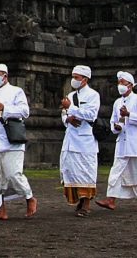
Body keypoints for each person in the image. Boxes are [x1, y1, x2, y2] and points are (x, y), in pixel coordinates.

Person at [0, 63, 36, 221]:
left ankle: (29, 197)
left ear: (5, 76)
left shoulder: (16, 92)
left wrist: (5, 108)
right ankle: (0, 210)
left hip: (11, 139)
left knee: (13, 173)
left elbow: (25, 112)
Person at [96, 71, 137, 212]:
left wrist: (129, 115)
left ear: (131, 85)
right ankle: (111, 200)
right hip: (122, 143)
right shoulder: (118, 102)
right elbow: (116, 121)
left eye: (123, 82)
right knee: (116, 171)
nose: (120, 85)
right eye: (119, 82)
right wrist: (116, 127)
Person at [60, 64, 100, 217]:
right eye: (73, 77)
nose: (74, 80)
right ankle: (78, 200)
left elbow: (91, 115)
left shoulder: (93, 95)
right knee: (71, 170)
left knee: (85, 171)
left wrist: (72, 109)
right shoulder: (70, 95)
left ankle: (86, 203)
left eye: (76, 77)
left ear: (85, 79)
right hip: (70, 139)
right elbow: (63, 114)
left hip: (85, 140)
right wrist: (67, 118)